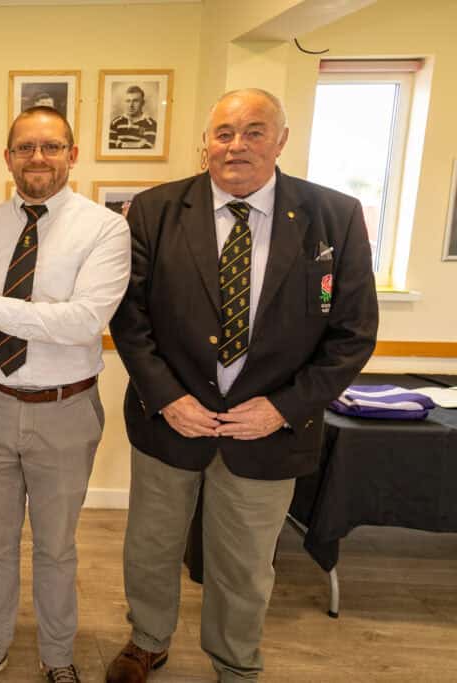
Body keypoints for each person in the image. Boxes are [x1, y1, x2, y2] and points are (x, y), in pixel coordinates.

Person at [106, 88, 378, 683]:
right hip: (169, 422)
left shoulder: (334, 216)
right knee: (150, 546)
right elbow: (130, 318)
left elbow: (353, 334)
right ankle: (148, 639)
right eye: (224, 133)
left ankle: (235, 662)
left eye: (254, 131)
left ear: (281, 141)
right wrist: (167, 397)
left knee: (246, 565)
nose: (237, 146)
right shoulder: (153, 210)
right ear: (205, 142)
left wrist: (283, 409)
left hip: (269, 432)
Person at [0, 106, 132, 683]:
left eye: (51, 146)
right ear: (8, 158)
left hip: (64, 409)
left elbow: (85, 319)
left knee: (56, 546)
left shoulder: (105, 229)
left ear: (73, 154)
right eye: (25, 147)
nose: (37, 157)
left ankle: (59, 655)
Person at [109, 85, 156, 149]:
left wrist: (120, 144)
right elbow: (111, 148)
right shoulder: (115, 123)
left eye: (135, 101)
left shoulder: (151, 124)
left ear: (142, 103)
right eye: (128, 101)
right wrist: (138, 145)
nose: (131, 105)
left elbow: (147, 149)